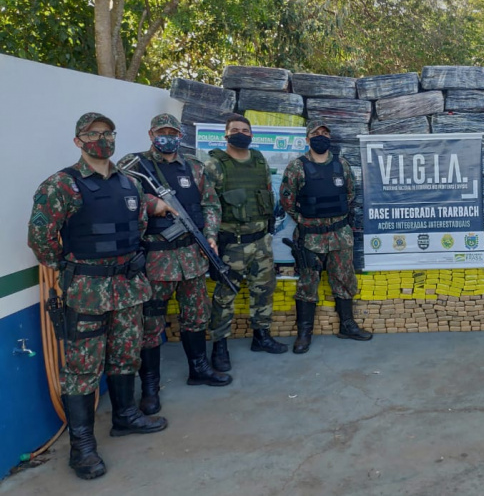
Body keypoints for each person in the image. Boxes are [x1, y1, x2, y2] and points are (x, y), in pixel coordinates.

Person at [27, 113, 168, 480]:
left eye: (108, 133)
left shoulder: (130, 184)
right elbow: (40, 239)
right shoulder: (61, 185)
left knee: (125, 354)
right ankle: (83, 447)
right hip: (87, 292)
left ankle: (125, 416)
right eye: (93, 134)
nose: (102, 139)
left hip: (128, 287)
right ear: (78, 141)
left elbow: (137, 228)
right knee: (82, 369)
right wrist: (69, 270)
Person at [117, 114, 231, 415]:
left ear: (180, 135)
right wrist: (153, 206)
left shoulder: (194, 166)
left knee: (196, 315)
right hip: (156, 259)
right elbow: (120, 200)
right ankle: (150, 387)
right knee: (151, 324)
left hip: (192, 255)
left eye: (172, 132)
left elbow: (210, 204)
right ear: (151, 133)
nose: (167, 136)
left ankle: (199, 369)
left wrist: (210, 237)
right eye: (161, 132)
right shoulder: (133, 165)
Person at [280, 120, 371, 354]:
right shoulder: (296, 167)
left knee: (344, 280)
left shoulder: (341, 165)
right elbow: (287, 201)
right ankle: (304, 333)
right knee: (307, 284)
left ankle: (347, 326)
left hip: (340, 235)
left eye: (325, 133)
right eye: (316, 133)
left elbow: (350, 193)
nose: (321, 136)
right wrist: (306, 220)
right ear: (307, 139)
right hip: (310, 236)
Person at [205, 114, 287, 370]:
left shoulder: (260, 161)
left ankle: (261, 337)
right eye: (235, 129)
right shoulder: (215, 165)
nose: (240, 133)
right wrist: (211, 237)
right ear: (226, 135)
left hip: (261, 241)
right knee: (224, 297)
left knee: (263, 291)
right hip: (232, 244)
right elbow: (208, 205)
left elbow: (266, 194)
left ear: (251, 135)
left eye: (245, 130)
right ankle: (220, 346)